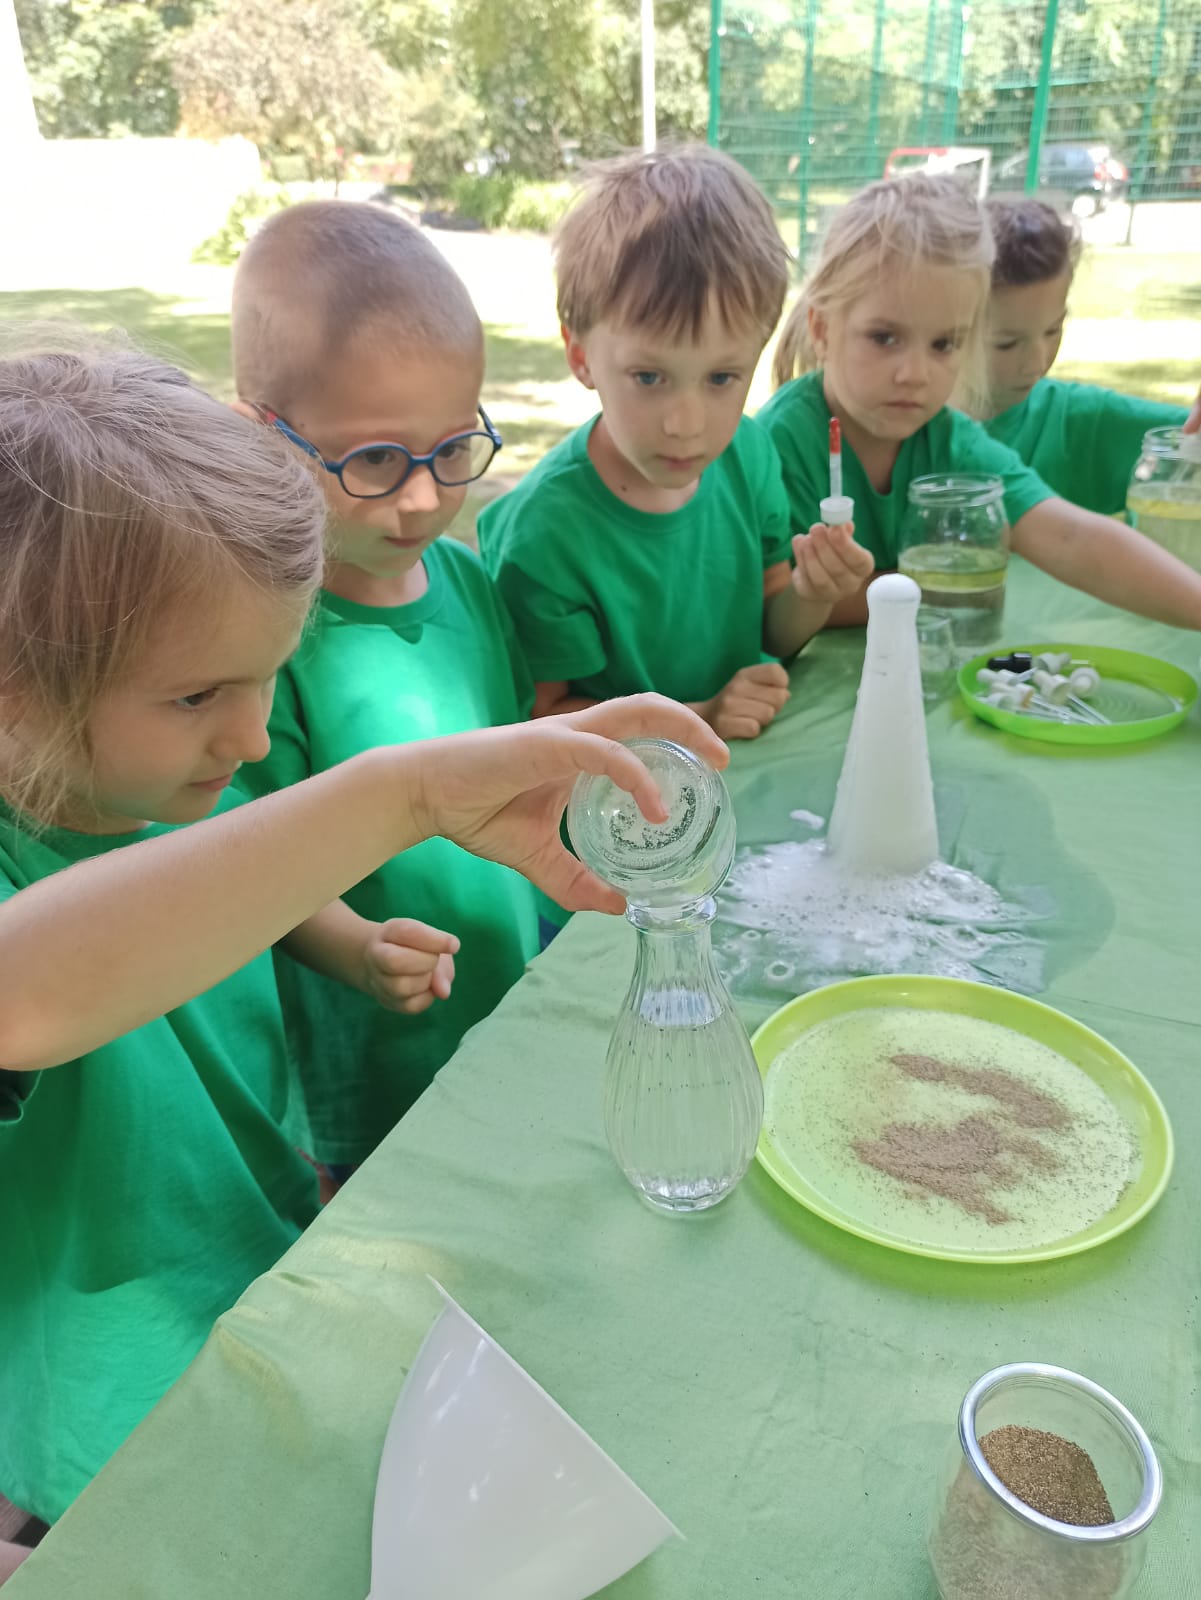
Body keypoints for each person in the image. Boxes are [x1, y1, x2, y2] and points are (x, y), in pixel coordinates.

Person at [0, 336, 726, 1550]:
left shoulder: (170, 785)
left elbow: (240, 883)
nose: (247, 737)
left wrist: (337, 935)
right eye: (194, 697)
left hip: (261, 1237)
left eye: (266, 679)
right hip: (108, 1373)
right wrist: (403, 794)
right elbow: (29, 987)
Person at [231, 201, 542, 1173]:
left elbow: (507, 761)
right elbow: (250, 872)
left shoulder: (470, 585)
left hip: (503, 1007)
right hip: (371, 1058)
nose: (422, 498)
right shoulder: (262, 642)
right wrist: (360, 949)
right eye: (373, 460)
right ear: (264, 433)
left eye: (452, 450)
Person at [478, 145, 874, 743]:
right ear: (581, 355)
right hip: (623, 812)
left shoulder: (751, 453)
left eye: (722, 378)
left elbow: (771, 628)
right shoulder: (545, 534)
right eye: (649, 377)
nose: (687, 424)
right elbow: (543, 719)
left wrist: (810, 594)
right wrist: (699, 715)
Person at [760, 174, 1201, 630]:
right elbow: (764, 618)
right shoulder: (775, 447)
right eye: (884, 337)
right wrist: (925, 581)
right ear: (821, 328)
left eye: (944, 344)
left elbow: (1072, 539)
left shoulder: (951, 440)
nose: (914, 374)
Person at [979, 197, 1200, 514]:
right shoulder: (902, 431)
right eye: (1006, 343)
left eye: (1053, 331)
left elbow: (1187, 435)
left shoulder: (1081, 418)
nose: (1037, 363)